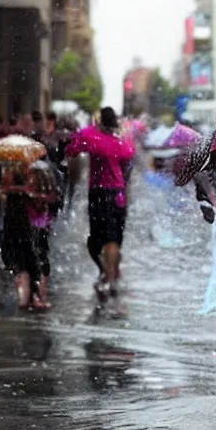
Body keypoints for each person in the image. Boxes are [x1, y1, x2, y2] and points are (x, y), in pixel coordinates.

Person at [66, 107, 135, 297]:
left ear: (99, 121)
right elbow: (129, 160)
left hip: (98, 192)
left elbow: (72, 149)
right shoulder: (122, 142)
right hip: (118, 194)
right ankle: (112, 277)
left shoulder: (91, 136)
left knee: (95, 242)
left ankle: (105, 273)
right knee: (114, 239)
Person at [0, 161, 59, 310]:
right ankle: (35, 297)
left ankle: (31, 298)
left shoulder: (32, 171)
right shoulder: (38, 170)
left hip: (27, 225)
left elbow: (3, 191)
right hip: (30, 225)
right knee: (34, 260)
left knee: (28, 262)